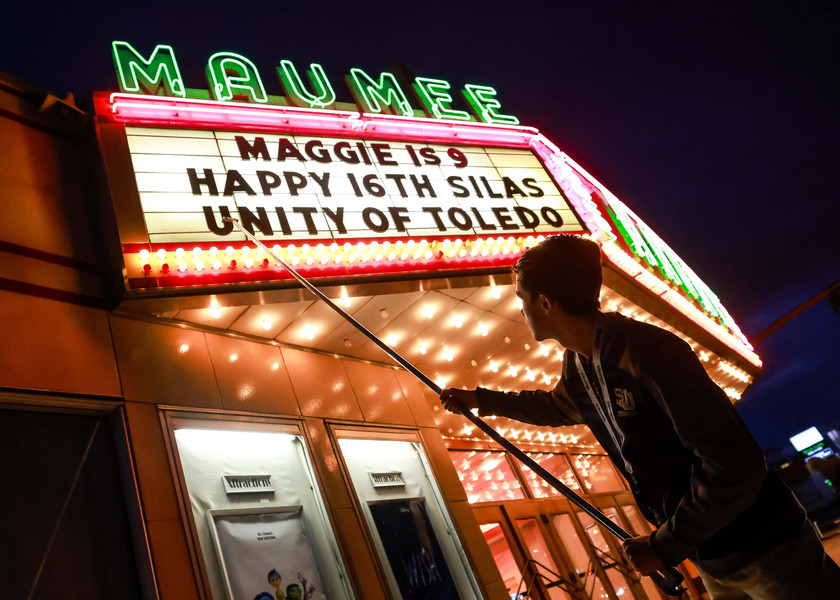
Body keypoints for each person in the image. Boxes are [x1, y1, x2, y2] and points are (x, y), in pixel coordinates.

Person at [440, 235, 840, 599]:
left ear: (545, 302)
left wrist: (664, 544)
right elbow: (554, 407)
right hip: (712, 560)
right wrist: (479, 399)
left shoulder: (649, 352)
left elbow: (734, 465)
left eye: (522, 297)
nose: (521, 308)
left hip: (769, 549)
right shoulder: (578, 366)